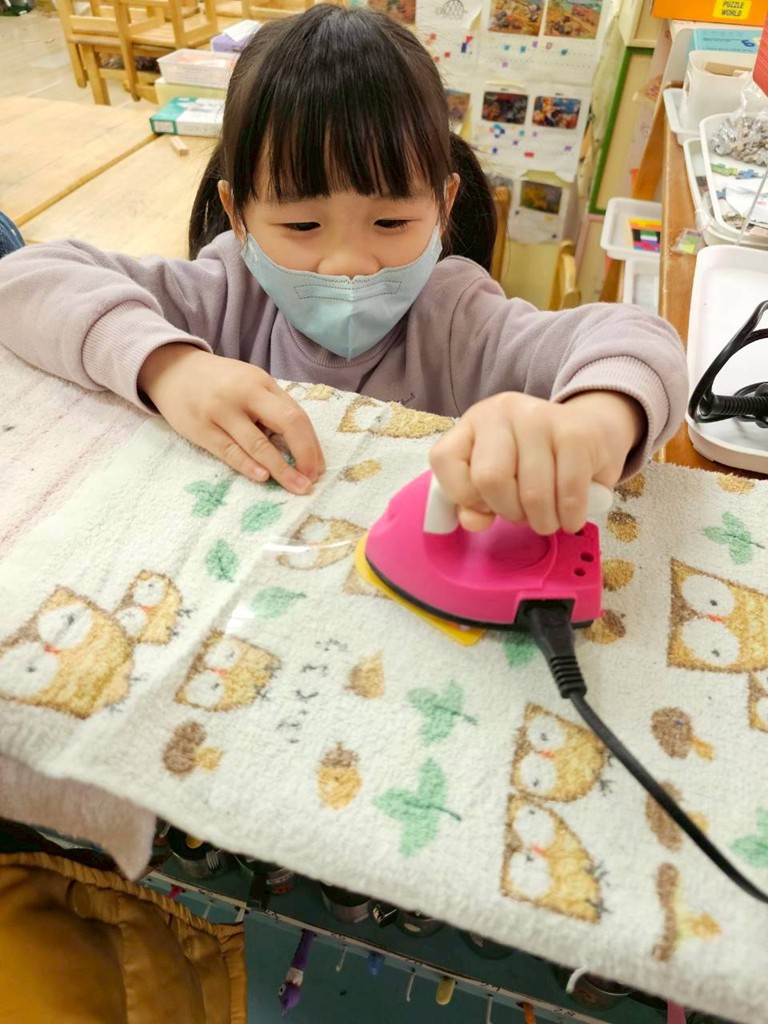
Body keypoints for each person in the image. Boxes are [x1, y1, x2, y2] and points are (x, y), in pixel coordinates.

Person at [0, 4, 687, 537]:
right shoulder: (224, 292)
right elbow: (26, 278)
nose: (350, 264)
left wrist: (594, 422)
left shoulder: (459, 320)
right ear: (237, 215)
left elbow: (637, 339)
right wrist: (168, 367)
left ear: (444, 205)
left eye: (391, 223)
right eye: (302, 227)